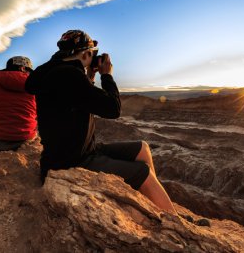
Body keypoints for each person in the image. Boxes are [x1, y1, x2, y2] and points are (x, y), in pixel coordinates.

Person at [25, 29, 176, 213]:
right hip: (73, 161)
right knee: (143, 172)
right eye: (92, 53)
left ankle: (152, 201)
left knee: (142, 148)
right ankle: (172, 220)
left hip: (78, 151)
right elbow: (113, 109)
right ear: (87, 53)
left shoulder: (54, 73)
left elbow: (80, 98)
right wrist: (106, 75)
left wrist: (90, 75)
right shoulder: (69, 76)